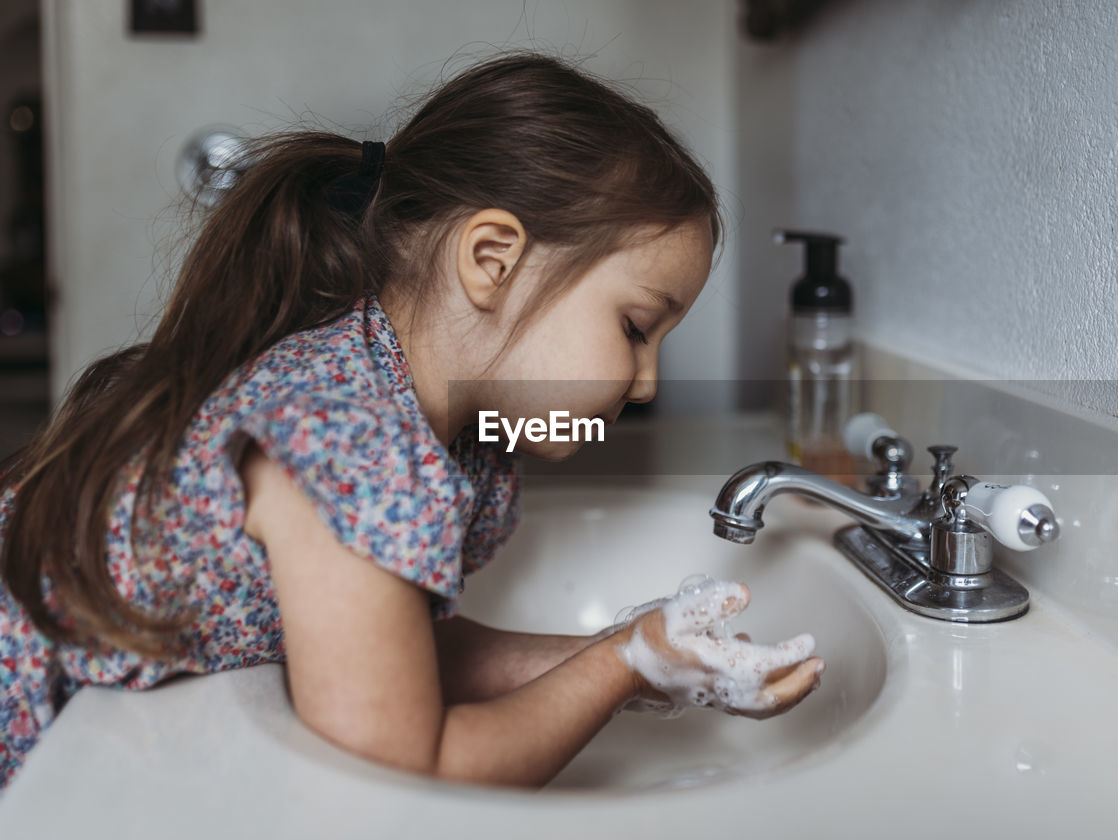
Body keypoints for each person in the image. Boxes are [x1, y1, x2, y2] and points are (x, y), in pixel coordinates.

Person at [0, 52, 824, 791]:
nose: (645, 385)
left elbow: (398, 650)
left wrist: (650, 658)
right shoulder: (354, 430)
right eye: (637, 328)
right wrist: (619, 664)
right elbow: (405, 763)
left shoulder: (430, 422)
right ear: (492, 260)